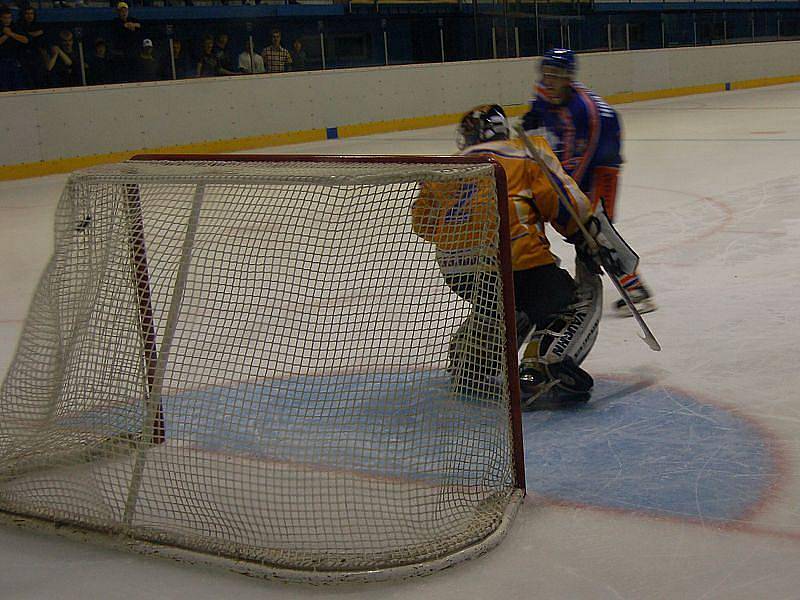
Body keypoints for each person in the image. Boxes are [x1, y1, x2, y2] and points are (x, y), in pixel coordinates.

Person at [411, 105, 636, 405]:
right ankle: (542, 368)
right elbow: (562, 201)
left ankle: (471, 362)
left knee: (505, 304)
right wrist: (587, 238)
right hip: (516, 261)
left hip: (458, 271)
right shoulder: (525, 151)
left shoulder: (446, 170)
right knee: (577, 298)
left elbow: (423, 226)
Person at [522, 48, 656, 316]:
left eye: (557, 75)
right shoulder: (545, 91)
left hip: (601, 164)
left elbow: (578, 166)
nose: (550, 80)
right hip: (572, 154)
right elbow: (534, 117)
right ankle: (581, 285)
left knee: (593, 226)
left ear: (569, 78)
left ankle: (635, 289)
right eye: (547, 73)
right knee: (577, 225)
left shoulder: (585, 113)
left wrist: (566, 198)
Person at [16, 4, 46, 89]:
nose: (29, 16)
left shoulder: (38, 25)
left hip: (36, 56)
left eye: (31, 13)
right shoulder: (18, 25)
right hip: (23, 56)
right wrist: (34, 34)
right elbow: (24, 38)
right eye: (27, 13)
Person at [0, 5, 28, 92]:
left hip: (14, 59)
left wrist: (11, 34)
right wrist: (6, 35)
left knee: (18, 85)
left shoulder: (15, 27)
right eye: (5, 18)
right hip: (1, 60)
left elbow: (25, 40)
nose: (7, 20)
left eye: (9, 18)